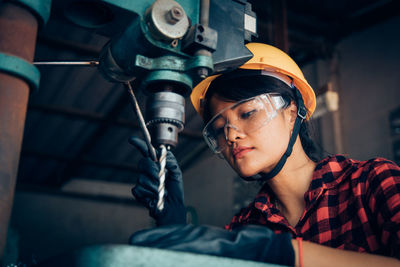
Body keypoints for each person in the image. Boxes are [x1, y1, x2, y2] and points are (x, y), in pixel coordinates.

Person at [129, 43, 400, 266]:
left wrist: (283, 253)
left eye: (247, 113)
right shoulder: (242, 229)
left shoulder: (373, 183)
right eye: (220, 128)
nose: (231, 135)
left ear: (292, 113)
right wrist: (173, 225)